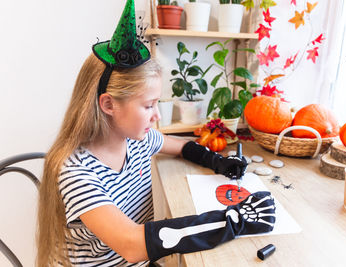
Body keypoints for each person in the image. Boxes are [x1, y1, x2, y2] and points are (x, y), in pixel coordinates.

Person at [36, 1, 276, 266]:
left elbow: (179, 146)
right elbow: (131, 244)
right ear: (108, 105)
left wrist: (217, 161)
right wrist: (235, 220)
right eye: (148, 105)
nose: (157, 115)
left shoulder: (137, 139)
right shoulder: (77, 172)